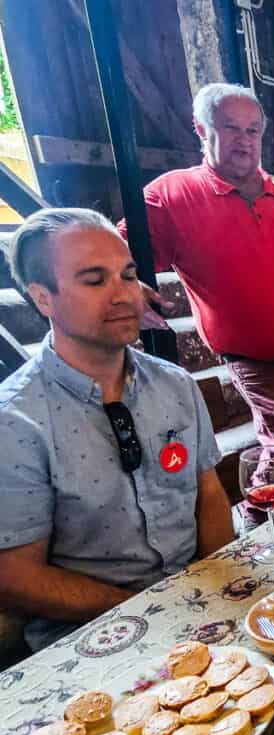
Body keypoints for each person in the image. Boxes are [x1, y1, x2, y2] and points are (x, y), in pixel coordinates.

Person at [0, 208, 234, 651]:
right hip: (95, 634)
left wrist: (216, 590)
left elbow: (209, 494)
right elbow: (15, 578)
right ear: (42, 298)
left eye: (127, 275)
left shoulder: (175, 384)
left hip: (198, 606)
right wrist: (149, 610)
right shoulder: (16, 421)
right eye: (94, 280)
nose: (124, 295)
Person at [122, 83, 274, 488]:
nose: (243, 141)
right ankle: (263, 527)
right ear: (201, 129)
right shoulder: (173, 195)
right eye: (230, 128)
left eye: (252, 131)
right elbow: (112, 249)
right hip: (269, 368)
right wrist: (128, 280)